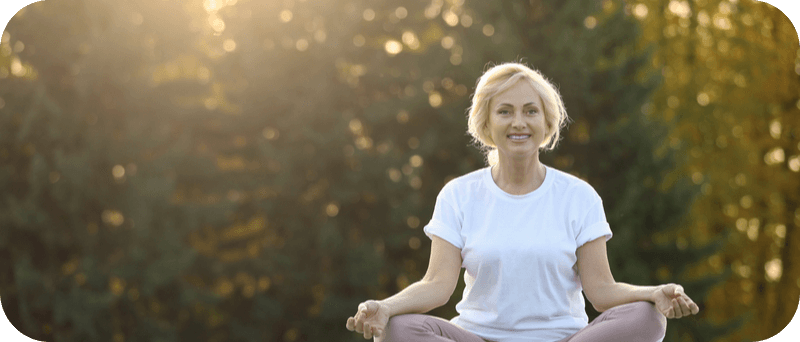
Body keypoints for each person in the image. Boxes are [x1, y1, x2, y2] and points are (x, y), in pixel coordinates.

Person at [346, 62, 700, 342]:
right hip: (477, 337)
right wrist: (384, 307)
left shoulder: (578, 196)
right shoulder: (458, 195)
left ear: (547, 122)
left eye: (531, 111)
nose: (519, 122)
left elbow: (602, 292)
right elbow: (436, 284)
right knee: (396, 329)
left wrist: (654, 293)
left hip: (565, 339)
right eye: (505, 111)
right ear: (486, 122)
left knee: (646, 318)